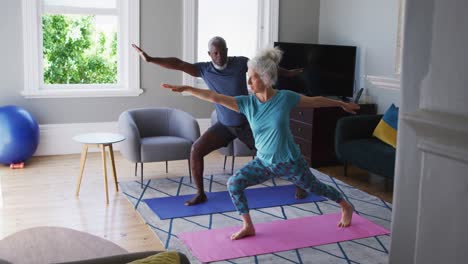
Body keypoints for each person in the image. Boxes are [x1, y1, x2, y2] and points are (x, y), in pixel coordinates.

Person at [161, 47, 358, 240]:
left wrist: (342, 104)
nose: (248, 81)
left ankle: (345, 206)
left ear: (265, 77)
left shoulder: (285, 98)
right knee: (234, 184)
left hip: (290, 161)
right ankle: (248, 225)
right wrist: (187, 88)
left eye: (252, 77)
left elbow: (315, 101)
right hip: (264, 163)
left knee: (316, 188)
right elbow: (214, 96)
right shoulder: (246, 103)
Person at [132, 37, 306, 206]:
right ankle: (200, 194)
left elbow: (265, 67)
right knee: (196, 150)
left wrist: (289, 73)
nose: (219, 56)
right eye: (215, 53)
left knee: (276, 152)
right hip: (224, 125)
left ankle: (301, 184)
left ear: (227, 51)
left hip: (246, 124)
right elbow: (178, 63)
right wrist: (150, 59)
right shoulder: (204, 69)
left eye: (222, 52)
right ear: (209, 54)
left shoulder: (240, 63)